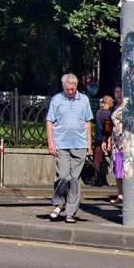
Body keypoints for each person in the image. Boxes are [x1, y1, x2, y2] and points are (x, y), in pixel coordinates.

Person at [45, 72, 93, 222]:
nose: (71, 92)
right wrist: (50, 142)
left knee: (74, 179)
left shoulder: (84, 100)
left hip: (79, 144)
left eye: (73, 89)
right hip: (62, 144)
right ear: (63, 87)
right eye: (68, 89)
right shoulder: (57, 100)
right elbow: (49, 121)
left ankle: (71, 212)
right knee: (63, 176)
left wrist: (89, 143)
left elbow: (87, 122)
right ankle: (59, 202)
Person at [91, 94, 115, 186]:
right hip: (108, 140)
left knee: (97, 160)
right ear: (109, 103)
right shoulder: (109, 114)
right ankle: (118, 177)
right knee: (114, 159)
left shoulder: (97, 113)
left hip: (98, 139)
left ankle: (97, 178)